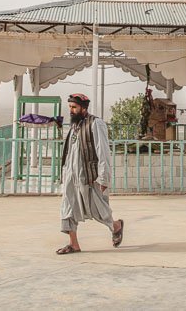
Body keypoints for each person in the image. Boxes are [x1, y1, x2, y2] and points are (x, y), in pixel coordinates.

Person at [56, 93, 123, 255]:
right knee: (67, 207)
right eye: (70, 107)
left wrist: (103, 177)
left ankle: (116, 226)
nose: (71, 111)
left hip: (89, 176)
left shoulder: (96, 124)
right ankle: (73, 244)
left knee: (98, 209)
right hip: (71, 176)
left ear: (84, 108)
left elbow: (103, 152)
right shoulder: (74, 126)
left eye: (74, 107)